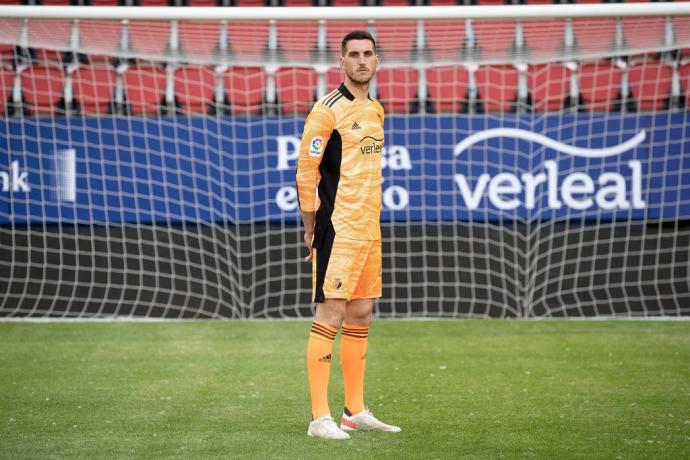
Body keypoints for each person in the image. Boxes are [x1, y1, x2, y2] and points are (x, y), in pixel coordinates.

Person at [295, 30, 401, 440]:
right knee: (330, 316)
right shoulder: (327, 109)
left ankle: (353, 410)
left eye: (368, 54)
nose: (361, 60)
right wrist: (310, 226)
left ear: (377, 61)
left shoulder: (376, 109)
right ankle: (318, 417)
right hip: (336, 228)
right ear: (341, 62)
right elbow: (307, 170)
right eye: (353, 54)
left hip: (368, 228)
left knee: (361, 314)